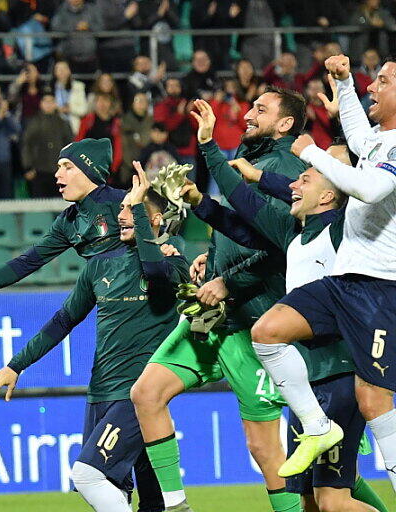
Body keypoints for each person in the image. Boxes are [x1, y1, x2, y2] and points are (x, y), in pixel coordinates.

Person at [182, 135, 391, 511]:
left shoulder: (347, 230)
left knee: (333, 502)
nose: (294, 184)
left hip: (338, 374)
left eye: (305, 180)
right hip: (307, 387)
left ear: (329, 196)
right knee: (309, 501)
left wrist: (214, 149)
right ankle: (316, 426)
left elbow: (360, 188)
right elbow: (242, 218)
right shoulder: (293, 238)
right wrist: (201, 203)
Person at [130, 90, 310, 512]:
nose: (247, 115)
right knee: (147, 393)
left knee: (269, 452)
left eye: (260, 110)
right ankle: (175, 506)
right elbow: (242, 232)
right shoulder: (257, 164)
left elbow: (280, 247)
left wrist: (228, 282)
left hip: (256, 322)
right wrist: (211, 259)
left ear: (285, 124)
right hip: (213, 317)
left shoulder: (284, 168)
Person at [0, 164, 180, 512]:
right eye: (123, 207)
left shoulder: (172, 262)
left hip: (141, 393)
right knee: (134, 494)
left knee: (88, 473)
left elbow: (154, 272)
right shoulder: (100, 265)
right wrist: (16, 365)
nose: (122, 215)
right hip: (101, 392)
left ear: (153, 220)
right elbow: (63, 320)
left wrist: (140, 211)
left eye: (132, 209)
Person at [250, 53, 396, 496]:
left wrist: (309, 151)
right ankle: (316, 425)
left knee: (374, 401)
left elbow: (369, 189)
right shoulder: (378, 140)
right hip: (344, 281)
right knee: (268, 331)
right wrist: (347, 83)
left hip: (380, 289)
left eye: (383, 81)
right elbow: (356, 135)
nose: (375, 87)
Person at [0, 138, 125, 297]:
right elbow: (26, 263)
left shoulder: (126, 204)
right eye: (59, 166)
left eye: (67, 167)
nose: (57, 174)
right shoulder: (68, 221)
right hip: (110, 307)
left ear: (90, 171)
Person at [20, 92, 74, 198]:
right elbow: (26, 145)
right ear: (41, 104)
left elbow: (70, 146)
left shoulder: (63, 123)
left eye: (51, 101)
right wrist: (28, 167)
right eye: (46, 101)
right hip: (38, 171)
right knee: (39, 206)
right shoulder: (33, 123)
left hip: (59, 171)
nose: (49, 104)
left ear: (55, 103)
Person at [51, 0, 102, 74]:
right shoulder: (61, 10)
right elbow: (55, 28)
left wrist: (89, 26)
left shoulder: (92, 9)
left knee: (91, 82)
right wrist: (73, 27)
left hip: (91, 57)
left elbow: (101, 28)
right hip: (69, 57)